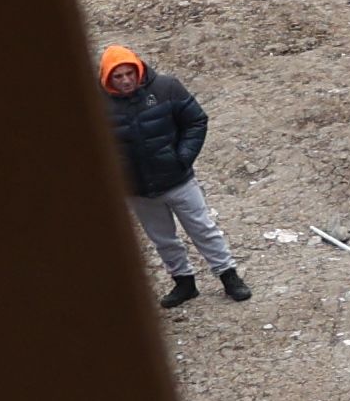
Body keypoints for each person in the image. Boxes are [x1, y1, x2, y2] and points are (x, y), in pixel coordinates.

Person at [100, 41, 248, 307]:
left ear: (138, 69)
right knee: (163, 240)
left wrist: (183, 157)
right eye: (118, 76)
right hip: (139, 190)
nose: (125, 81)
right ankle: (184, 283)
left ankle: (229, 276)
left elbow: (196, 120)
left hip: (178, 180)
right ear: (108, 78)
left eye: (129, 73)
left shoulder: (166, 88)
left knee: (203, 229)